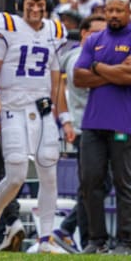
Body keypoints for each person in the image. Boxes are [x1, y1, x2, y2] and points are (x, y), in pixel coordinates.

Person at [0, 0, 75, 253]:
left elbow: (56, 80)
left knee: (49, 173)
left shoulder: (55, 31)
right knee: (17, 172)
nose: (35, 9)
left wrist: (64, 118)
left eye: (40, 4)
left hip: (42, 109)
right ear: (21, 5)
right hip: (11, 106)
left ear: (46, 6)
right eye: (30, 4)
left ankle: (45, 240)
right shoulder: (6, 26)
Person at [73, 0, 131, 255]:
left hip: (123, 123)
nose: (114, 15)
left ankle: (125, 240)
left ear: (128, 13)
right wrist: (114, 71)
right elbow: (78, 77)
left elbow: (128, 76)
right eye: (110, 10)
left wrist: (96, 67)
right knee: (89, 181)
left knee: (124, 183)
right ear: (105, 12)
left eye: (120, 10)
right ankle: (97, 240)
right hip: (92, 123)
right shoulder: (94, 39)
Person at [52, 14, 107, 253]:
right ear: (83, 34)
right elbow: (78, 80)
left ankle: (69, 230)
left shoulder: (99, 55)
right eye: (95, 32)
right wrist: (117, 74)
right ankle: (84, 238)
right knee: (92, 185)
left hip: (103, 127)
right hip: (84, 128)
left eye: (104, 33)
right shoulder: (76, 56)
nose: (99, 37)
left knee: (95, 185)